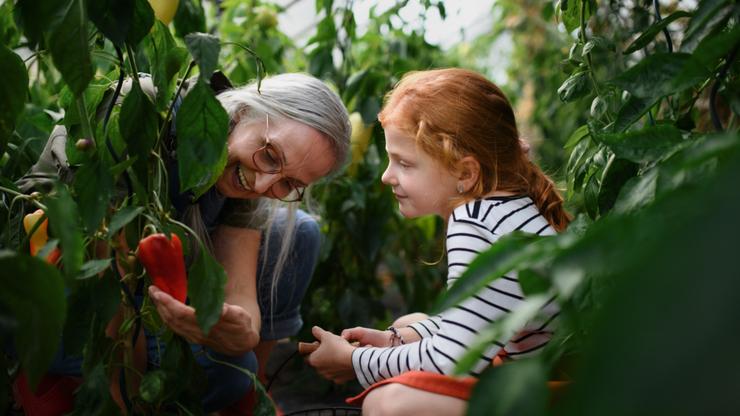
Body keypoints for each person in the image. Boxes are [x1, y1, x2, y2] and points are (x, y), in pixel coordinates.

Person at [15, 72, 351, 413]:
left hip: (147, 285)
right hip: (70, 282)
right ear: (243, 112)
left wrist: (239, 334)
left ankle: (255, 394)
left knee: (298, 235)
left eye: (289, 182)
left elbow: (240, 293)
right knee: (213, 377)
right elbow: (107, 288)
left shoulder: (245, 164)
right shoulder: (143, 110)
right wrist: (124, 400)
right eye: (270, 156)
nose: (264, 185)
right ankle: (46, 384)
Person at [303, 68, 570, 415]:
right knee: (406, 325)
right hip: (553, 373)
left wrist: (354, 360)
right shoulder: (510, 204)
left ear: (465, 173)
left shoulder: (473, 220)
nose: (387, 176)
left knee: (388, 404)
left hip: (564, 395)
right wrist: (391, 342)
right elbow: (482, 319)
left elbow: (451, 361)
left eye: (404, 163)